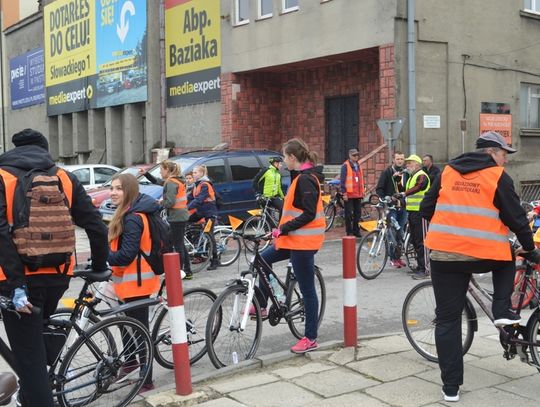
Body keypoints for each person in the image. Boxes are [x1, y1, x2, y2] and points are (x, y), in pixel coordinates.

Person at [421, 131, 536, 402]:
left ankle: (451, 389)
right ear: (489, 152)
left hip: (445, 256)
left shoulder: (447, 171)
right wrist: (530, 248)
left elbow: (426, 208)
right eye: (503, 154)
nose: (504, 160)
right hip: (485, 254)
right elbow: (516, 217)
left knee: (447, 321)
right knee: (508, 256)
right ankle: (501, 309)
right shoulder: (497, 177)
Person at [0, 129, 109, 407]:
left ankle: (37, 393)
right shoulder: (64, 177)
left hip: (17, 283)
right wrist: (98, 265)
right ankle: (34, 390)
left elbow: (1, 235)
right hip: (58, 276)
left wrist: (15, 284)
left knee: (30, 362)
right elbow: (95, 225)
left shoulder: (4, 177)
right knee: (34, 343)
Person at [253, 138, 325, 354]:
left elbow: (309, 213)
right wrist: (278, 229)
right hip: (291, 238)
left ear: (293, 157)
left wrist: (282, 229)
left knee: (308, 291)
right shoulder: (299, 176)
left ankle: (310, 337)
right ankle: (263, 305)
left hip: (303, 242)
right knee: (263, 259)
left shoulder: (306, 179)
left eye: (285, 157)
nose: (283, 161)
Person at [108, 173, 161, 393]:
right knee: (125, 322)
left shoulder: (133, 218)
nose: (113, 192)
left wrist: (103, 257)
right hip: (126, 282)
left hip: (137, 284)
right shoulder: (126, 213)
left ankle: (146, 379)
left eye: (118, 188)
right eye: (111, 188)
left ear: (129, 191)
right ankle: (130, 363)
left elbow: (127, 254)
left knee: (141, 331)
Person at [395, 154, 430, 279]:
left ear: (417, 164)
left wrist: (403, 193)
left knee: (422, 242)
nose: (407, 165)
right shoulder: (411, 177)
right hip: (412, 212)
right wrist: (398, 183)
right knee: (415, 242)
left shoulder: (421, 175)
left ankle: (425, 270)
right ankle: (420, 267)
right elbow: (405, 192)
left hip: (421, 213)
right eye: (407, 163)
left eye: (410, 163)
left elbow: (419, 187)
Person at [159, 160, 192, 280]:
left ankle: (180, 271)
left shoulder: (171, 183)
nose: (160, 172)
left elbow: (171, 202)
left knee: (177, 245)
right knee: (180, 244)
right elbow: (160, 182)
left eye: (161, 170)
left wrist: (161, 203)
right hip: (181, 215)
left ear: (167, 170)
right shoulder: (176, 180)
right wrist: (146, 175)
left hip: (177, 217)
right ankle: (187, 271)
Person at [376, 151, 408, 267]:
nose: (400, 161)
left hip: (403, 207)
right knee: (392, 232)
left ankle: (398, 257)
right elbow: (379, 189)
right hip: (391, 208)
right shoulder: (387, 172)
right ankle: (392, 258)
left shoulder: (406, 173)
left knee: (401, 232)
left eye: (402, 159)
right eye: (398, 159)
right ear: (393, 160)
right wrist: (386, 198)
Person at [187, 165, 219, 271]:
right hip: (201, 212)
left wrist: (187, 208)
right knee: (186, 221)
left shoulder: (205, 184)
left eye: (195, 172)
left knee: (209, 234)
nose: (193, 174)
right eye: (193, 172)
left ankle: (215, 260)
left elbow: (199, 200)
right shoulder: (196, 185)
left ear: (202, 174)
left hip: (210, 213)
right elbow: (189, 198)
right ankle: (197, 245)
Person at [340, 148, 365, 237]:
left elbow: (361, 180)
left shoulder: (358, 165)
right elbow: (342, 181)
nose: (356, 157)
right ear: (350, 156)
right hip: (349, 195)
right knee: (348, 214)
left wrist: (362, 191)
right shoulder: (345, 166)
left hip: (357, 194)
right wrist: (344, 193)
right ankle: (349, 231)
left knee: (357, 214)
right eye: (354, 155)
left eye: (357, 155)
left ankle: (356, 231)